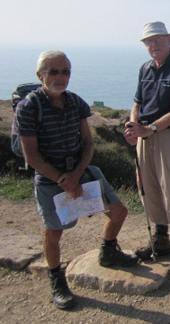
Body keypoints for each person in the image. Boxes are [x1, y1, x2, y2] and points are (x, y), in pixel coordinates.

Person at [14, 50, 138, 310]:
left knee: (118, 212)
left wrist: (77, 174)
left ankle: (108, 251)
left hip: (81, 172)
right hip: (51, 181)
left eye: (65, 71)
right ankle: (57, 279)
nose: (61, 77)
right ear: (40, 75)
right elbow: (31, 155)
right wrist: (63, 179)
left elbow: (88, 142)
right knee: (54, 232)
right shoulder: (28, 108)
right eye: (54, 71)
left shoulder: (75, 102)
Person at [123, 21, 170, 273]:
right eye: (148, 41)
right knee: (149, 186)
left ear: (169, 40)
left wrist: (151, 128)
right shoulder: (145, 68)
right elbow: (137, 102)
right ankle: (161, 240)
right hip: (145, 135)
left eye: (157, 39)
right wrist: (134, 126)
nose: (153, 45)